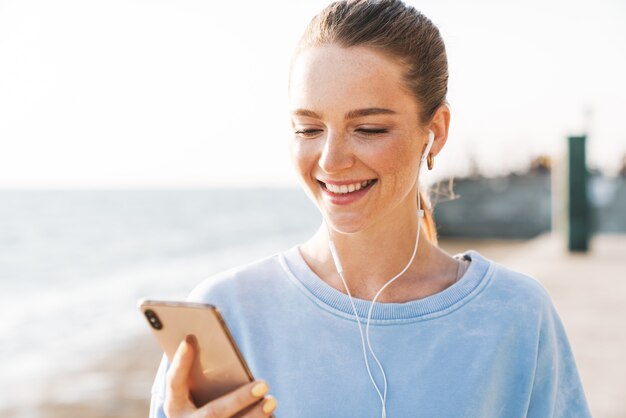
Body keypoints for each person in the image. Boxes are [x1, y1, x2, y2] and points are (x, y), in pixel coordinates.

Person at [149, 1, 592, 417]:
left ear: (434, 132)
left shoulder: (515, 314)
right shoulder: (228, 314)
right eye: (308, 128)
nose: (330, 159)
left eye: (369, 128)